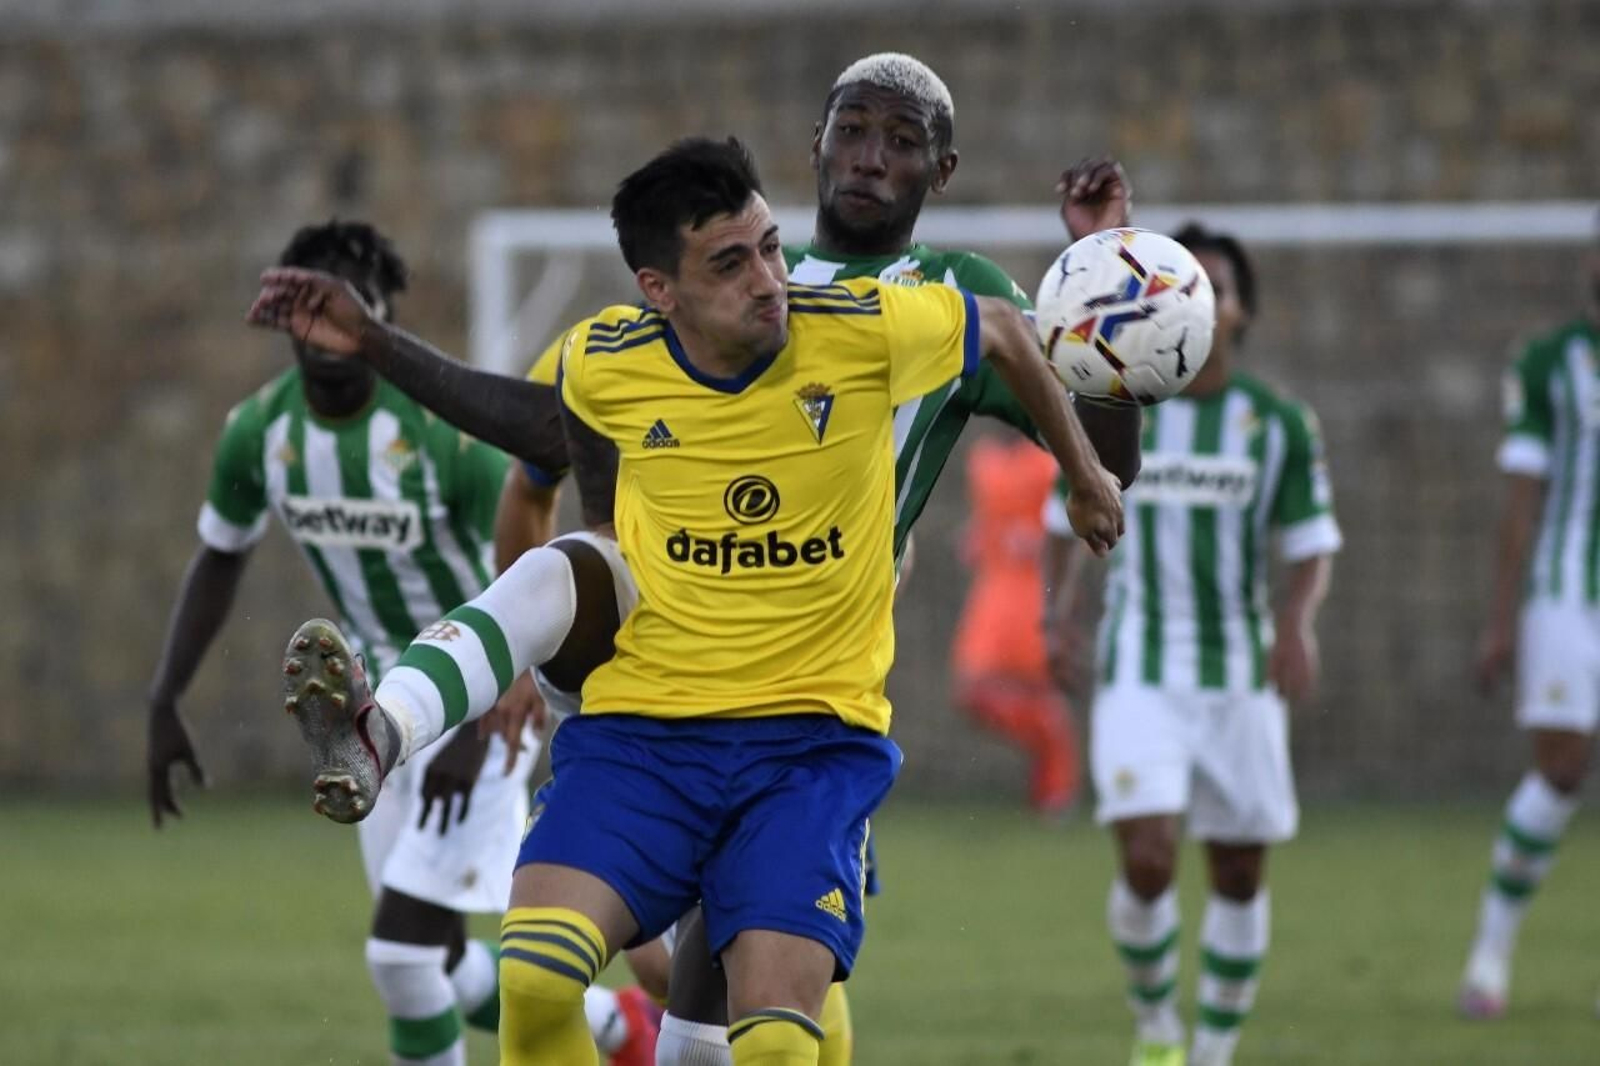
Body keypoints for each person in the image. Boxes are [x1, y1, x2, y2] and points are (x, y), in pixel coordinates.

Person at [247, 136, 1124, 1066]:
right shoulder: (607, 360)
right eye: (730, 263)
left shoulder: (865, 324)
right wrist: (377, 343)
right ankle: (384, 730)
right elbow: (535, 436)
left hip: (807, 752)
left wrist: (1082, 475)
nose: (769, 279)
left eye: (771, 247)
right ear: (657, 289)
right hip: (647, 742)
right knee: (536, 983)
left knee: (762, 1046)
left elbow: (1009, 331)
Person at [148, 220, 657, 1066]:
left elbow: (527, 564)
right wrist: (164, 698)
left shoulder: (440, 437)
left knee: (401, 955)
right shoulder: (260, 433)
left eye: (354, 306)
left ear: (375, 318)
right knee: (439, 962)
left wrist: (491, 710)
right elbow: (219, 556)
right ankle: (622, 1029)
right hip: (366, 709)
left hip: (483, 696)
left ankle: (629, 1025)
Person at [1044, 222, 1341, 1066]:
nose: (1204, 300)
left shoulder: (1278, 423)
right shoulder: (1115, 409)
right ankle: (1155, 1030)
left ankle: (1212, 1049)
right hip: (1138, 663)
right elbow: (1057, 524)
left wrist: (1297, 625)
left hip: (1240, 674)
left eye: (1220, 287)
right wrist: (1055, 616)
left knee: (1240, 871)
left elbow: (1311, 540)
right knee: (1146, 856)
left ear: (1241, 312)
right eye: (1189, 284)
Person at [1458, 215, 1600, 1021]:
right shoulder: (1551, 362)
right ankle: (1491, 954)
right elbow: (1520, 500)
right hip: (1567, 593)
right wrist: (1500, 619)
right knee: (1560, 769)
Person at [953, 425, 1082, 815]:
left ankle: (1056, 794)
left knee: (1040, 691)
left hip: (1032, 591)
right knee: (972, 691)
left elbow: (1066, 529)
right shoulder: (983, 457)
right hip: (993, 590)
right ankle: (1047, 748)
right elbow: (986, 519)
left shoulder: (1046, 463)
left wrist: (1064, 595)